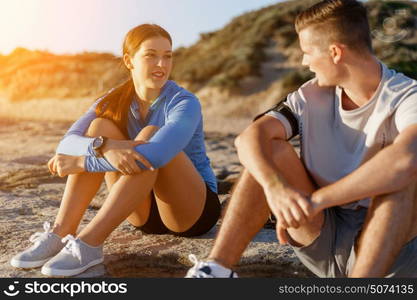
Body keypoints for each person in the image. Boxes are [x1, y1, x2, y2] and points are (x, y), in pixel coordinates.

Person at [186, 0, 417, 278]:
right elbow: (249, 138)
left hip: (392, 251)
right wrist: (275, 188)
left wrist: (318, 200)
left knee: (403, 181)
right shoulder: (311, 94)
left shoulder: (406, 96)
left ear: (335, 52)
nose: (304, 62)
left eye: (307, 52)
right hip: (321, 236)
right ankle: (216, 271)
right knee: (268, 148)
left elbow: (405, 159)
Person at [10, 24, 221, 277]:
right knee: (99, 127)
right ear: (129, 61)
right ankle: (61, 232)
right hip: (139, 208)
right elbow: (66, 144)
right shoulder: (113, 99)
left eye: (167, 56)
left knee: (150, 135)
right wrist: (104, 146)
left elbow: (156, 155)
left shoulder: (184, 102)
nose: (161, 64)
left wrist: (81, 163)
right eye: (151, 55)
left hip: (190, 211)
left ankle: (89, 244)